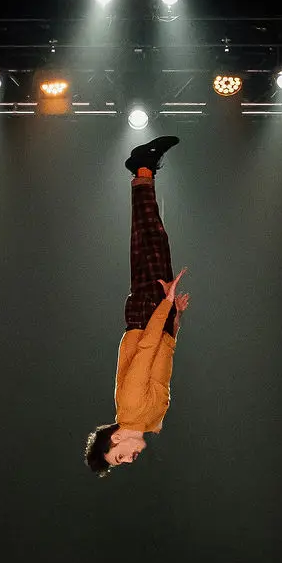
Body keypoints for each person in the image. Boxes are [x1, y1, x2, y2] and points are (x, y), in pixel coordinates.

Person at [84, 136, 192, 476]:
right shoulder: (149, 420)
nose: (129, 460)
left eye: (118, 458)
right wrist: (174, 325)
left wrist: (166, 304)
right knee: (149, 242)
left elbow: (146, 349)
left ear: (114, 440)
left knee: (153, 241)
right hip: (154, 319)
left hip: (147, 316)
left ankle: (144, 166)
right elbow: (162, 362)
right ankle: (141, 173)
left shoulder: (130, 409)